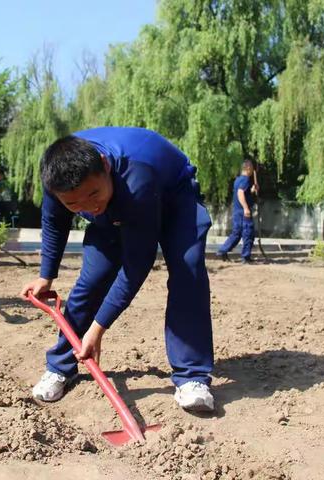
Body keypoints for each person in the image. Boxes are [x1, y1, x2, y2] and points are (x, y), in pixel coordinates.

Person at [21, 127, 215, 412]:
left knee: (188, 271)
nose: (89, 207)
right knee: (92, 280)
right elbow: (54, 222)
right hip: (118, 201)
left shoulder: (137, 176)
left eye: (93, 194)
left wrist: (98, 329)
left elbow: (137, 264)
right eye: (74, 204)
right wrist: (45, 275)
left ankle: (192, 377)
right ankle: (61, 366)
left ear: (105, 165)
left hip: (174, 196)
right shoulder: (58, 177)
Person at [216, 160, 258, 264]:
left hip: (237, 211)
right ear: (248, 168)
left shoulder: (238, 180)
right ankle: (246, 257)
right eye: (252, 167)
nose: (253, 170)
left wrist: (252, 190)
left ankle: (223, 251)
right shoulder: (245, 180)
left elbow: (244, 192)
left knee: (236, 233)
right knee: (248, 233)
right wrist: (246, 208)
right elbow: (240, 193)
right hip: (243, 212)